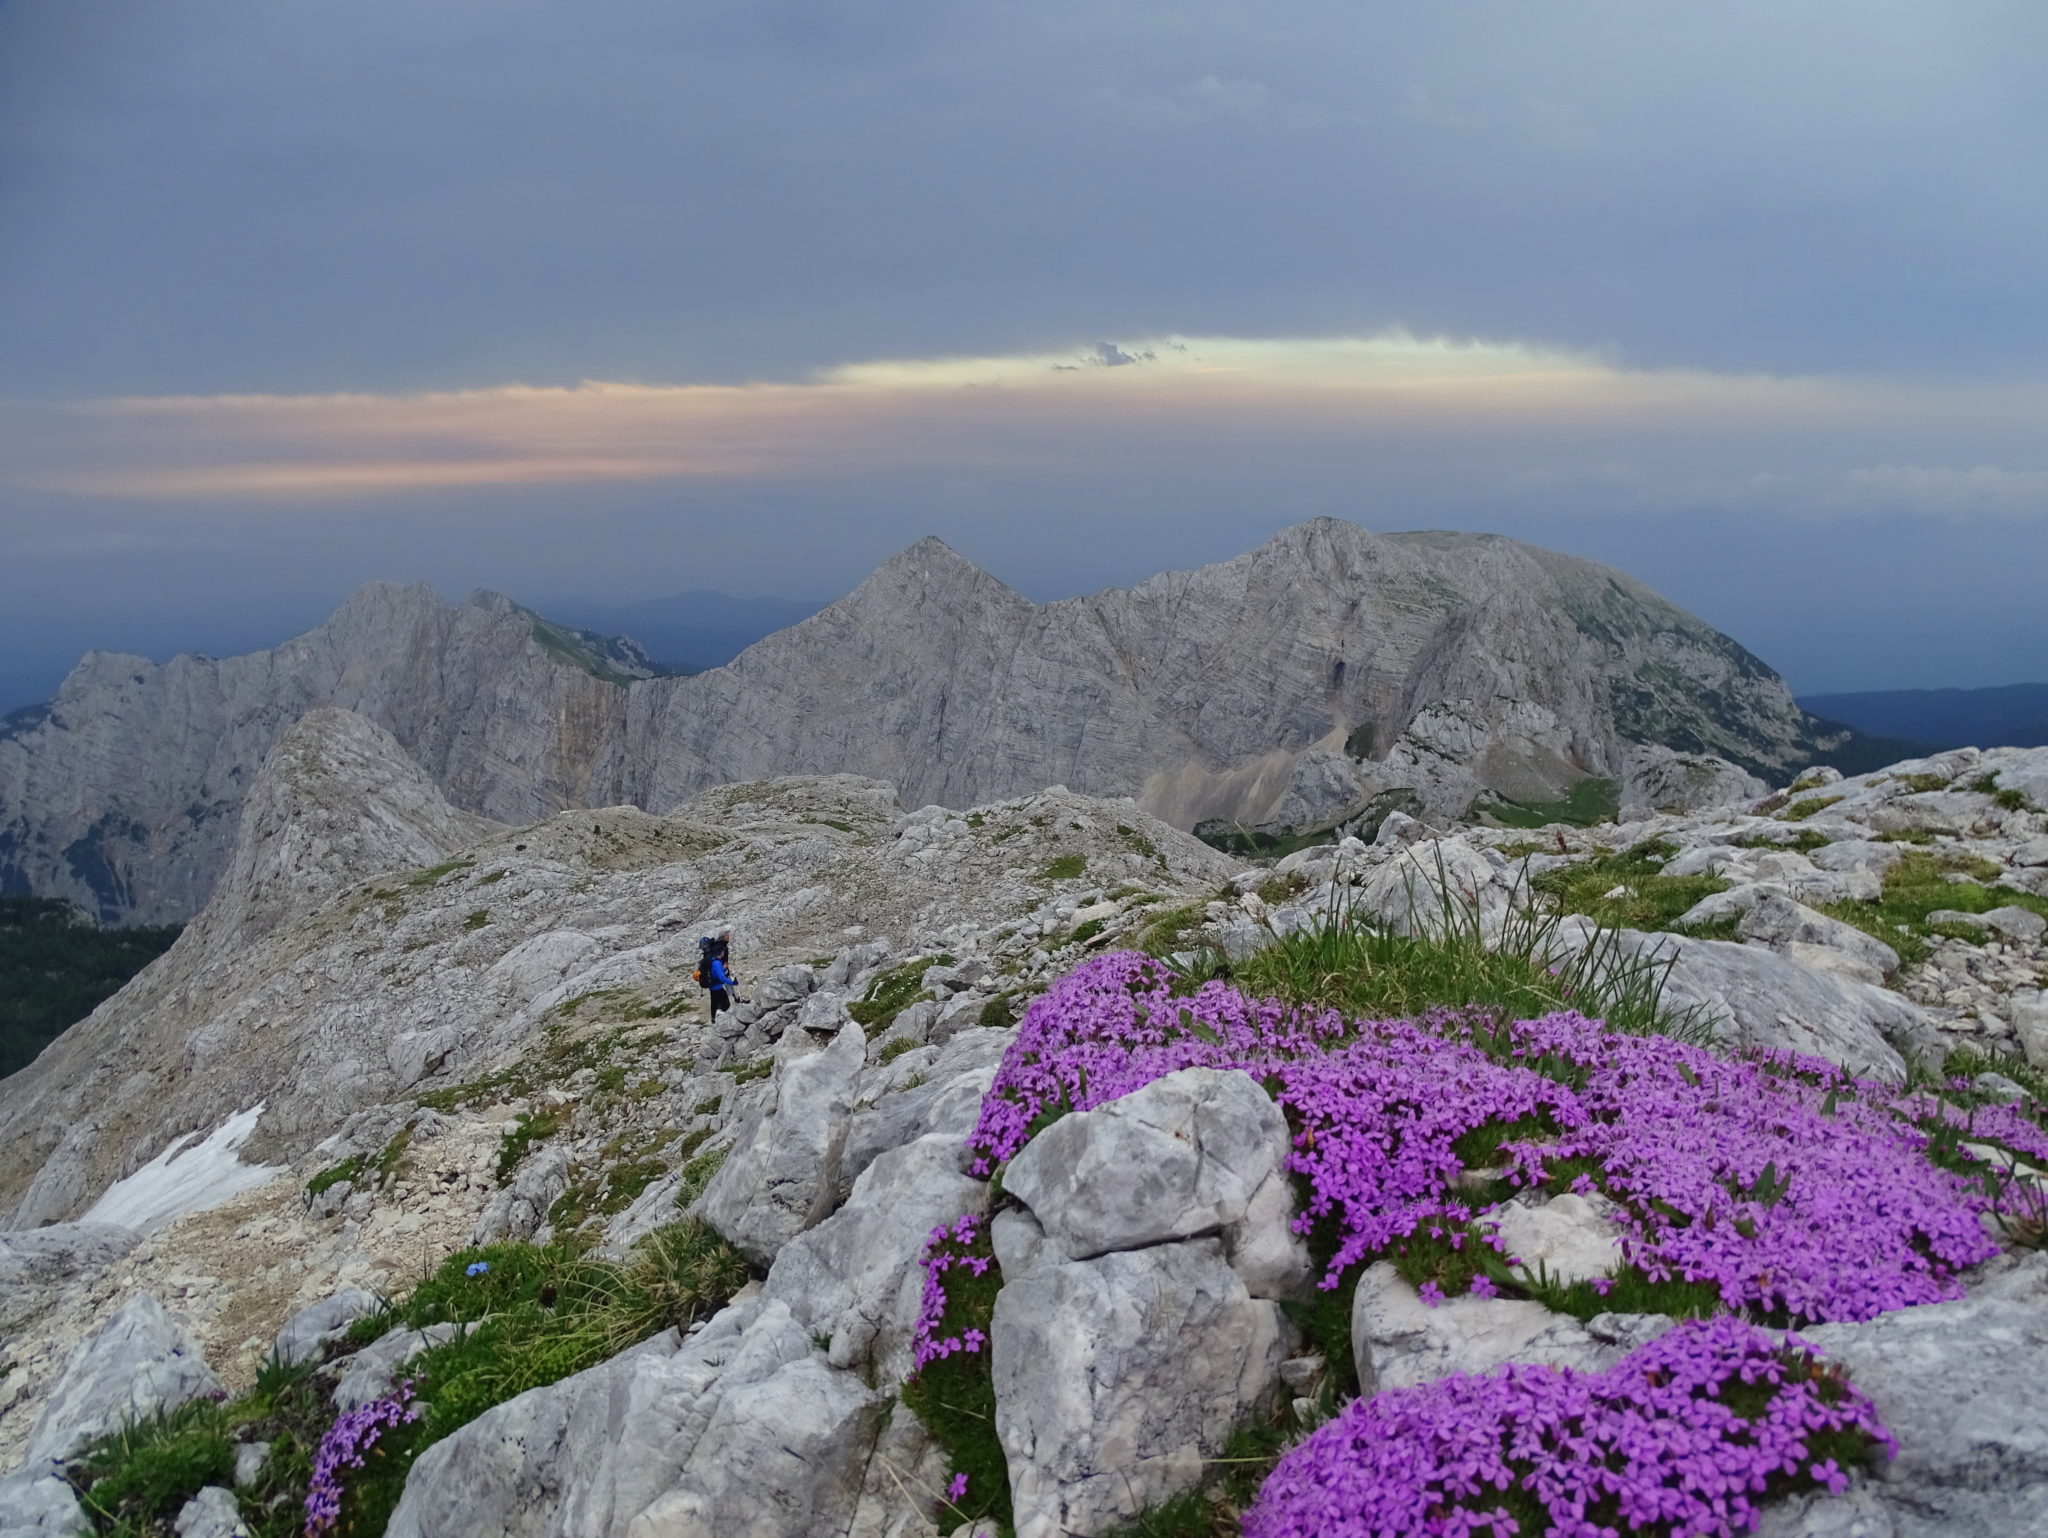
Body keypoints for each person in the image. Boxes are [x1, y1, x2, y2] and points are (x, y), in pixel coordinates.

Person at [698, 928, 738, 1023]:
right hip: (718, 987)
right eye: (727, 936)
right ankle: (726, 1022)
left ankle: (714, 1019)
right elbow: (721, 977)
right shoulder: (716, 962)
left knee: (714, 1002)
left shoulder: (712, 962)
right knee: (725, 1004)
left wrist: (723, 968)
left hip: (712, 986)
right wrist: (732, 982)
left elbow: (716, 973)